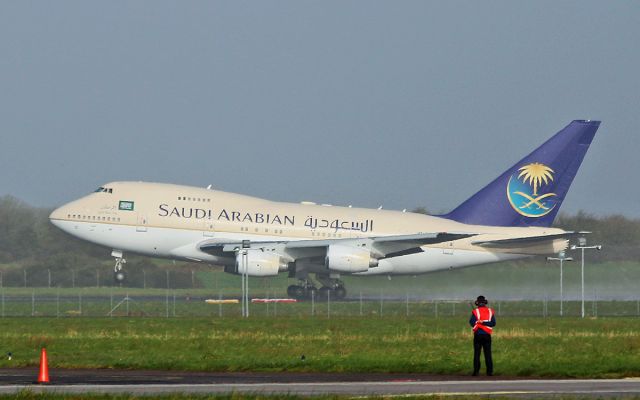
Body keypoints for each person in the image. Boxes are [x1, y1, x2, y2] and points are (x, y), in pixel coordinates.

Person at [469, 295, 496, 376]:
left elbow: (471, 322)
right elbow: (493, 323)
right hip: (487, 335)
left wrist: (479, 323)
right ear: (485, 302)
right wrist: (485, 323)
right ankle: (489, 372)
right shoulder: (490, 311)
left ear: (477, 303)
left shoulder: (475, 312)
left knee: (477, 354)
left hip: (478, 335)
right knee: (488, 354)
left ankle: (476, 372)